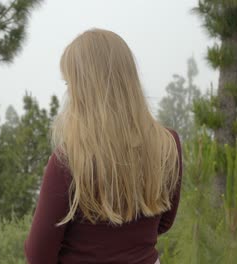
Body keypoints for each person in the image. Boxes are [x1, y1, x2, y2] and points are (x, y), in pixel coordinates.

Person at [24, 28, 183, 264]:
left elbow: (38, 254)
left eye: (71, 84)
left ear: (84, 89)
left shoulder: (69, 160)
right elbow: (164, 222)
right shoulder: (168, 144)